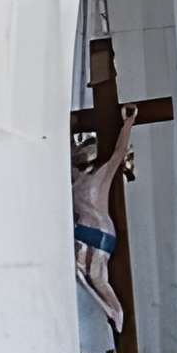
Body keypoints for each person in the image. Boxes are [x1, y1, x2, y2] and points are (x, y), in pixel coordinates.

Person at [72, 104, 139, 331]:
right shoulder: (76, 179)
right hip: (85, 232)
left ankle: (116, 316)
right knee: (83, 276)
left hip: (99, 233)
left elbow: (119, 153)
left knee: (98, 279)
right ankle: (109, 316)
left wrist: (128, 123)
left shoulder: (101, 175)